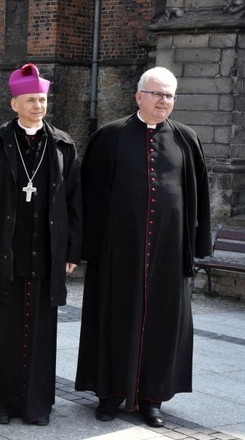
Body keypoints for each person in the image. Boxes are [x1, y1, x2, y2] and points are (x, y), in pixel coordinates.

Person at [75, 66, 211, 427]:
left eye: (169, 95)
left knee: (164, 324)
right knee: (113, 317)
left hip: (169, 250)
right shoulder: (110, 136)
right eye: (157, 94)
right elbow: (87, 194)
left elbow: (200, 195)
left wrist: (198, 245)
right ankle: (109, 394)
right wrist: (84, 247)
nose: (164, 101)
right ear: (139, 96)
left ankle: (153, 398)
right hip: (118, 250)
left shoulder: (186, 138)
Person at [0, 63, 82, 426]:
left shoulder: (63, 144)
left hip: (47, 252)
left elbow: (74, 202)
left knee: (40, 332)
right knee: (1, 328)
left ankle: (36, 406)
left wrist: (71, 251)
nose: (38, 106)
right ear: (14, 103)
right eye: (31, 100)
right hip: (7, 251)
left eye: (43, 99)